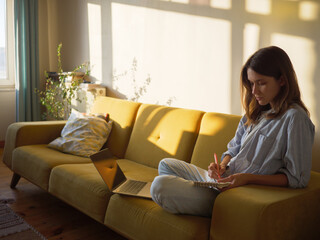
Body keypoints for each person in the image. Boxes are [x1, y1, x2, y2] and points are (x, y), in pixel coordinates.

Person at [150, 46, 315, 217]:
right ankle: (188, 197)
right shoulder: (255, 112)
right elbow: (232, 150)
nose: (254, 91)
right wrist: (220, 167)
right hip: (222, 181)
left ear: (282, 80)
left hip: (236, 194)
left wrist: (247, 178)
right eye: (251, 83)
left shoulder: (295, 118)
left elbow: (297, 178)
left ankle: (195, 201)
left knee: (160, 186)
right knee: (166, 164)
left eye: (261, 83)